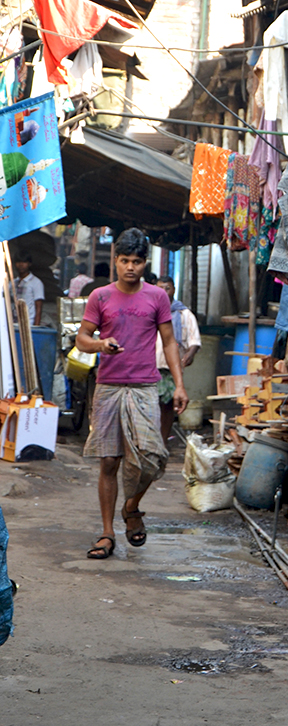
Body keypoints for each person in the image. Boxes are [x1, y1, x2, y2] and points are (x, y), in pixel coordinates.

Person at [76, 228, 189, 560]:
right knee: (109, 460)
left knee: (150, 458)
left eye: (136, 261)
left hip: (144, 387)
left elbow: (169, 341)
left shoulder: (157, 297)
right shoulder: (100, 296)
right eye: (124, 260)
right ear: (115, 261)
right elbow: (82, 338)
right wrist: (100, 344)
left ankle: (132, 507)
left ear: (145, 262)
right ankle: (107, 532)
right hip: (109, 387)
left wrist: (180, 384)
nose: (130, 267)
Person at [155, 276, 201, 442]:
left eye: (167, 288)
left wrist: (190, 354)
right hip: (150, 366)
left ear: (174, 289)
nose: (163, 292)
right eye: (160, 288)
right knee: (150, 405)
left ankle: (163, 439)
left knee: (167, 405)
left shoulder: (184, 314)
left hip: (171, 368)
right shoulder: (151, 311)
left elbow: (194, 340)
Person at [14, 254, 44, 326]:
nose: (21, 265)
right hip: (13, 323)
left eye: (24, 262)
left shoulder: (36, 282)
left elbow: (38, 307)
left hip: (28, 324)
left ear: (29, 264)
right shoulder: (12, 283)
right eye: (18, 262)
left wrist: (36, 327)